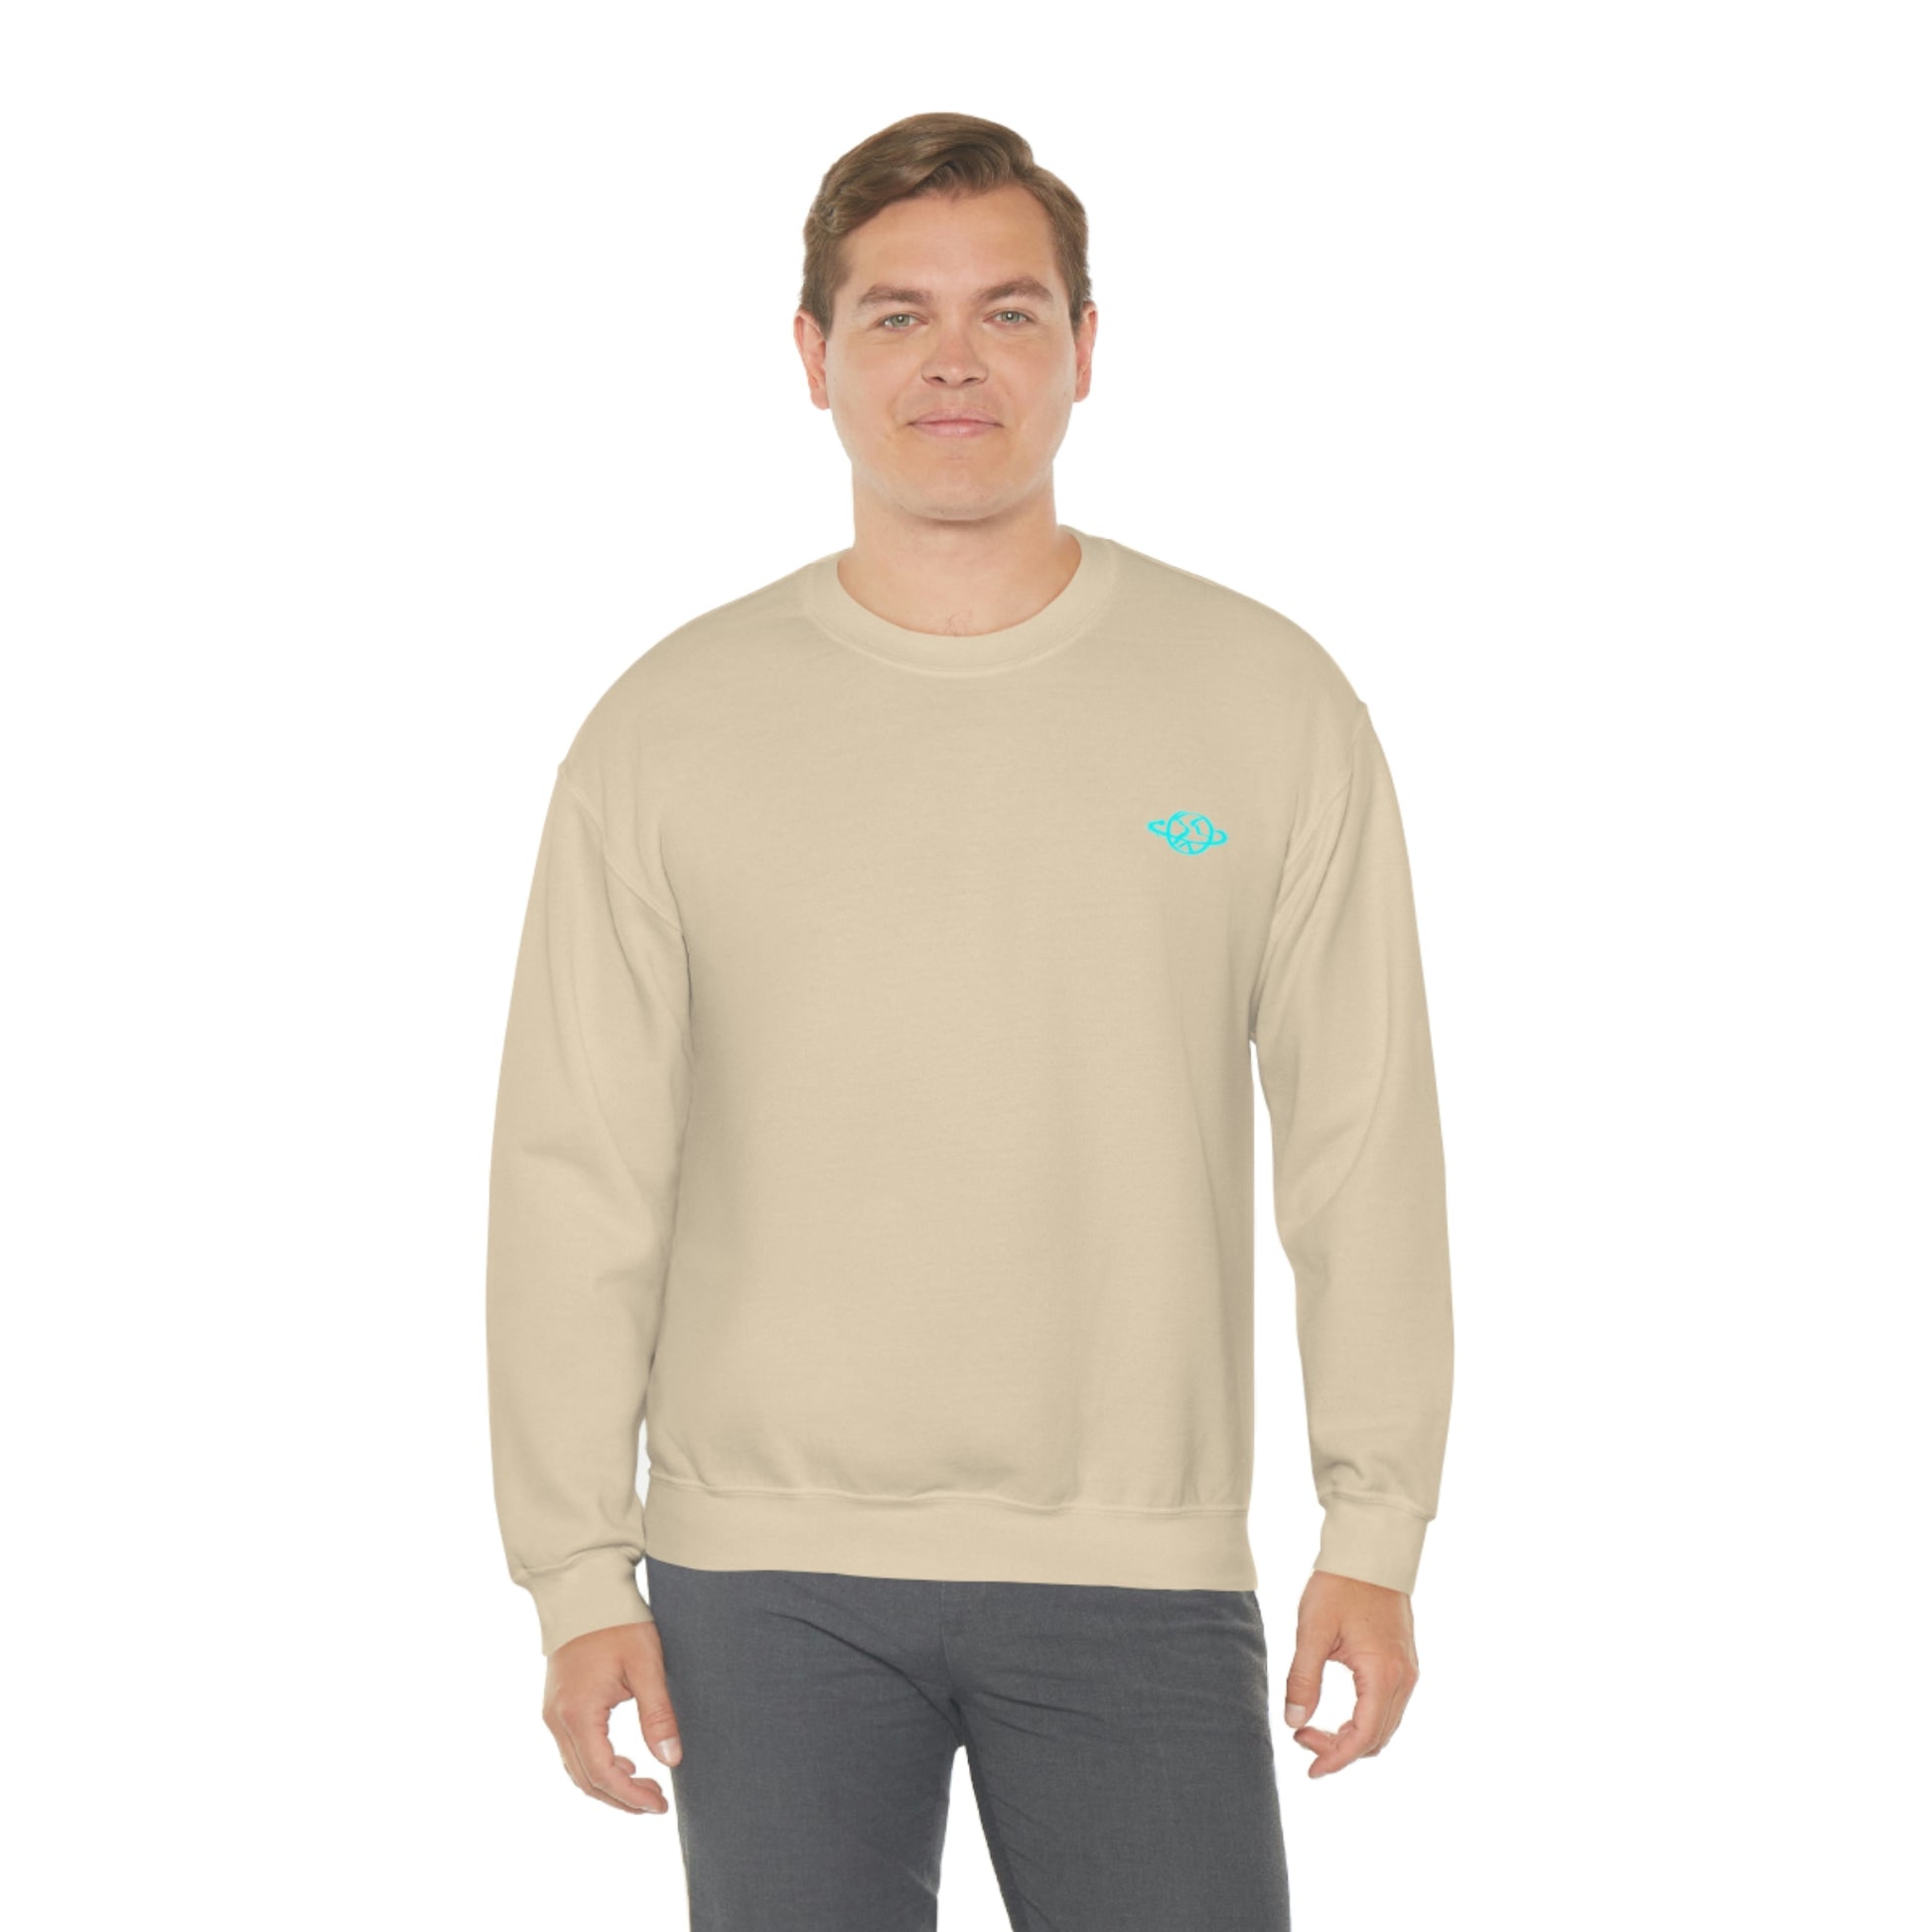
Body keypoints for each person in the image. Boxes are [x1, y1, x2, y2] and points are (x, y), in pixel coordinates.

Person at [485, 110, 1453, 1931]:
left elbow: (1361, 1141)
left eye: (1006, 311)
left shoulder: (1261, 700)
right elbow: (576, 1173)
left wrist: (1375, 1523)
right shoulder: (669, 728)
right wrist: (575, 1569)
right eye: (894, 314)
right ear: (812, 355)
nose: (952, 360)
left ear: (1084, 347)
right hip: (755, 1571)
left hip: (1136, 1558)